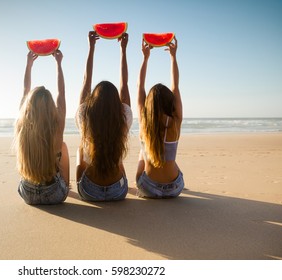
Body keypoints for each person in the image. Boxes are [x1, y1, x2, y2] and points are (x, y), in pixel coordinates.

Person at [76, 31, 132, 202]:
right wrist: (123, 50)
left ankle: (81, 182)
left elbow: (86, 81)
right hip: (118, 192)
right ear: (117, 103)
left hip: (89, 191)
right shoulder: (124, 117)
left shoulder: (84, 115)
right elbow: (124, 85)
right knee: (117, 155)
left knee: (80, 150)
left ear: (92, 100)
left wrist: (91, 48)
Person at [15, 50, 69, 205]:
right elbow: (62, 94)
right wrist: (59, 64)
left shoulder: (22, 126)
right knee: (62, 146)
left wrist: (29, 65)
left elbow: (25, 91)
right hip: (55, 194)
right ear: (50, 107)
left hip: (27, 194)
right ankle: (65, 185)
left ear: (28, 107)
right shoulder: (57, 127)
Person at [136, 37, 184, 198]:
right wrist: (173, 56)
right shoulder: (176, 121)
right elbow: (175, 86)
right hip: (175, 188)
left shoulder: (144, 121)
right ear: (170, 101)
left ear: (148, 104)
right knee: (170, 159)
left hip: (148, 188)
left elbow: (140, 86)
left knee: (142, 153)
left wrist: (145, 58)